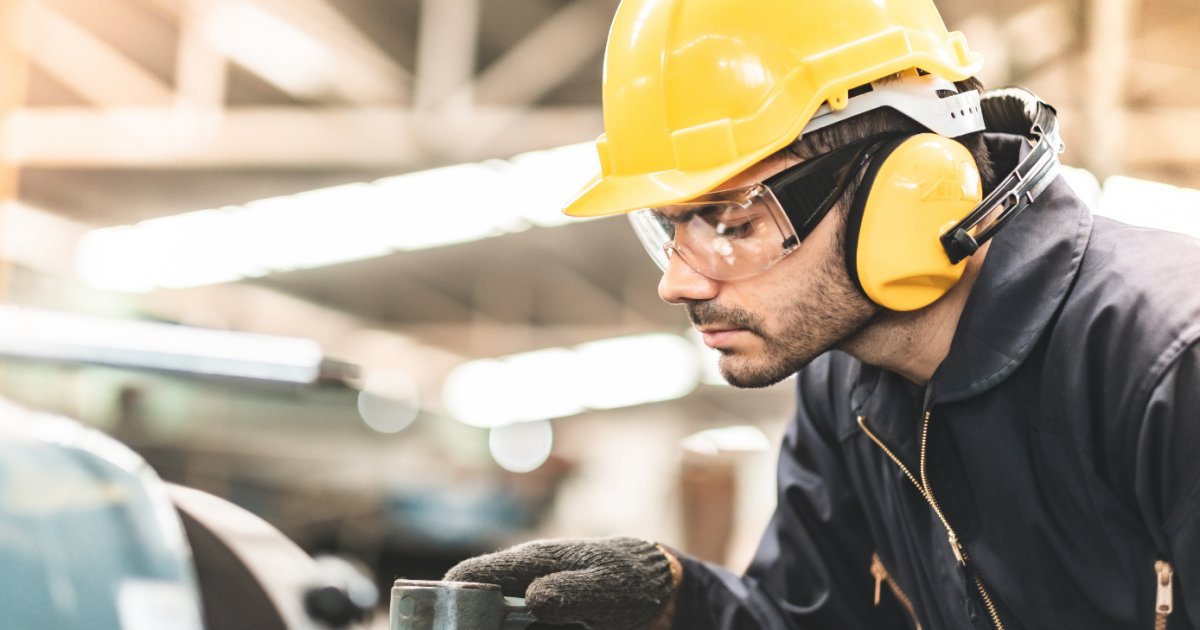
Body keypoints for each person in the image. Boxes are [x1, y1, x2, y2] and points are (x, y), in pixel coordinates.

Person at [445, 0, 1200, 628]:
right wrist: (680, 602)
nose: (676, 285)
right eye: (668, 229)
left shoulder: (1167, 360)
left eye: (731, 223)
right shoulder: (848, 391)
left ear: (909, 185)